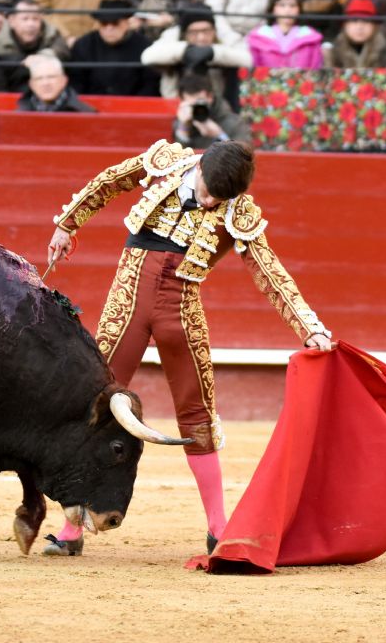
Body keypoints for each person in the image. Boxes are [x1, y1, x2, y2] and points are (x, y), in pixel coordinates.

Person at [41, 138, 332, 557]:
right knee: (94, 406)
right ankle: (70, 530)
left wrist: (310, 329)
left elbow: (271, 272)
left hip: (181, 311)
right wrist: (67, 224)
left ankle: (220, 529)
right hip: (126, 306)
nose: (212, 202)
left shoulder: (238, 212)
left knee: (197, 417)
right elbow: (109, 181)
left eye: (222, 198)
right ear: (198, 167)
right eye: (209, 190)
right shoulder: (166, 164)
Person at [141, 2, 253, 99]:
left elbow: (248, 58)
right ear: (184, 33)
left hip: (218, 104)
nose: (201, 37)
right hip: (176, 103)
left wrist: (213, 52)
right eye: (194, 32)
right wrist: (185, 50)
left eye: (206, 31)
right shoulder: (173, 35)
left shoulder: (223, 35)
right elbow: (147, 56)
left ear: (214, 30)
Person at [68, 0, 159, 96]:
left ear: (127, 23)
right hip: (90, 106)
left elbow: (150, 84)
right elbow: (76, 82)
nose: (109, 28)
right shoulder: (84, 45)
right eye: (104, 23)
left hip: (132, 106)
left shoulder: (143, 46)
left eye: (115, 23)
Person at [0, 0, 69, 91]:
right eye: (25, 19)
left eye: (35, 19)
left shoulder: (51, 33)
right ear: (11, 21)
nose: (31, 24)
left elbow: (63, 50)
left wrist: (42, 57)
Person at [247, 0, 324, 68]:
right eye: (282, 5)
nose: (287, 10)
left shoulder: (310, 37)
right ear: (273, 9)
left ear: (299, 10)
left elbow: (315, 68)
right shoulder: (259, 36)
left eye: (292, 5)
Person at [172, 72, 250, 148]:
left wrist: (220, 135)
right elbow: (178, 158)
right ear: (183, 102)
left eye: (200, 102)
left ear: (210, 97)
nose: (198, 109)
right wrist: (184, 129)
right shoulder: (183, 120)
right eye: (192, 105)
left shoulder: (235, 123)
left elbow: (243, 156)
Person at [325, 0, 386, 68]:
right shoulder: (334, 51)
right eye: (354, 20)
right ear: (345, 25)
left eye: (366, 21)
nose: (359, 26)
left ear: (375, 26)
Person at [16, 52, 95, 112]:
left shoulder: (85, 113)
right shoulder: (17, 116)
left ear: (64, 81)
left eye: (51, 77)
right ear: (31, 85)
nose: (45, 83)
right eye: (39, 79)